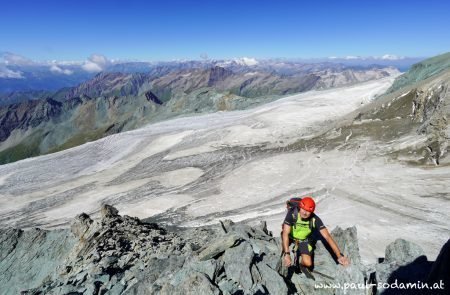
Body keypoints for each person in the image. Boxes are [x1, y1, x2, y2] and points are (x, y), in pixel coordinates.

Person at [282, 196, 350, 272]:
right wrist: (287, 254)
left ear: (312, 212)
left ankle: (300, 263)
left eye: (308, 211)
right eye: (303, 209)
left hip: (303, 240)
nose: (304, 213)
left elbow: (327, 237)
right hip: (290, 237)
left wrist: (339, 256)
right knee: (284, 250)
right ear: (300, 207)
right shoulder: (292, 213)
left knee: (308, 263)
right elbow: (285, 233)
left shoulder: (315, 219)